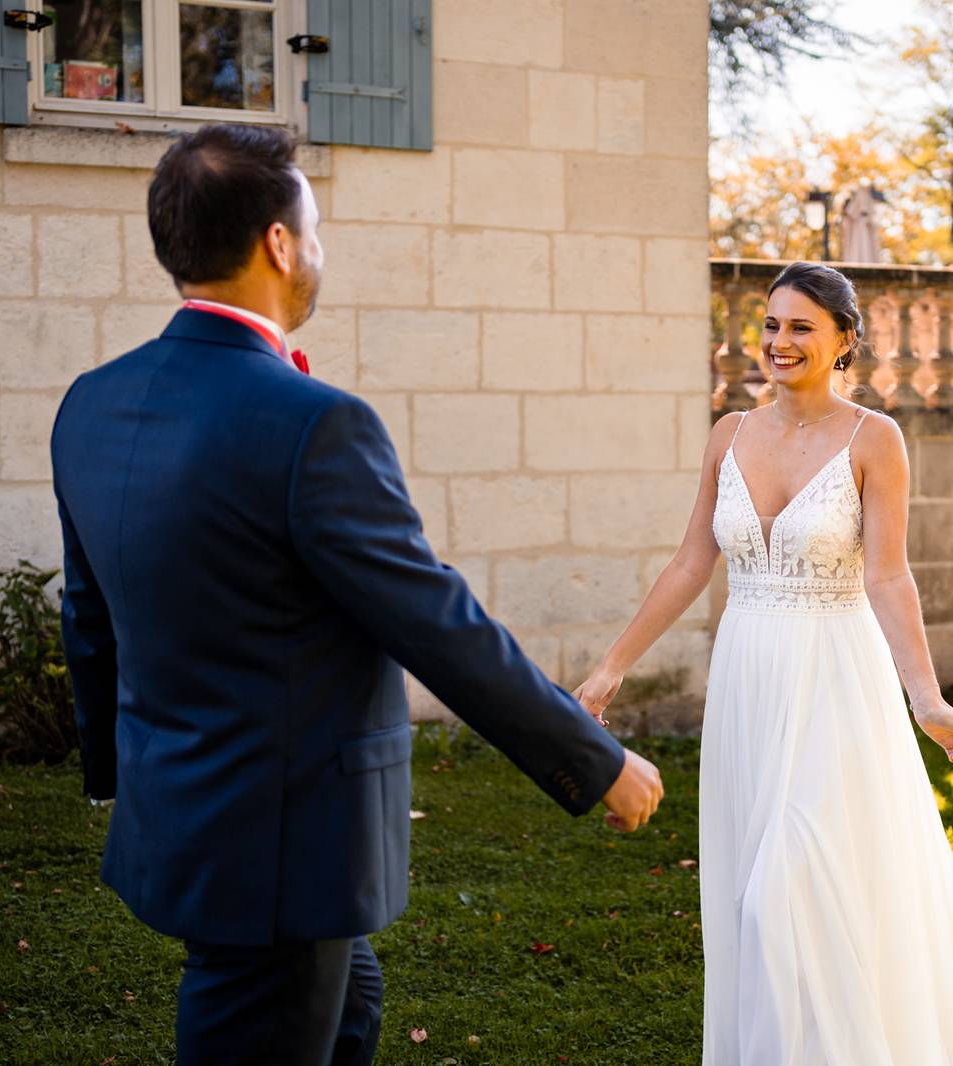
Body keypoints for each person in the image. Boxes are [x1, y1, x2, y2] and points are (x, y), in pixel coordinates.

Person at [49, 123, 664, 1066]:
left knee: (348, 1004)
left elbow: (88, 619)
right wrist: (596, 761)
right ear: (280, 244)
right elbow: (436, 622)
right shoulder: (314, 423)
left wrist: (119, 777)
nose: (319, 249)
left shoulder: (91, 401)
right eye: (317, 226)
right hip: (282, 846)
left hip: (187, 818)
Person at [575, 261, 953, 1064]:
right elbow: (692, 563)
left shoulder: (876, 439)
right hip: (748, 676)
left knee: (787, 884)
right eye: (771, 325)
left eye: (801, 326)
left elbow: (888, 575)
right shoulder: (728, 434)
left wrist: (928, 701)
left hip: (834, 676)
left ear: (844, 341)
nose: (779, 341)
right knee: (751, 884)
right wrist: (612, 667)